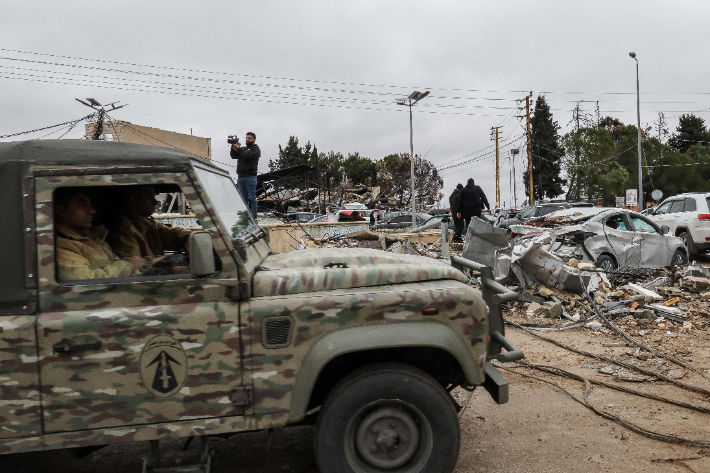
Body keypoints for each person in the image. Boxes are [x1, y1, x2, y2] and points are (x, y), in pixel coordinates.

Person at [55, 189, 144, 281]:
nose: (92, 210)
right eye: (82, 204)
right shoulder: (60, 245)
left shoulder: (95, 239)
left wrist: (148, 265)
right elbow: (85, 281)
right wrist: (128, 265)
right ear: (61, 211)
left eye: (90, 205)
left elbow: (118, 266)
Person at [109, 186, 193, 258]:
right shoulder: (124, 231)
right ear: (134, 200)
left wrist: (187, 237)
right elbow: (134, 268)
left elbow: (169, 234)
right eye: (150, 197)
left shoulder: (146, 223)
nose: (155, 202)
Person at [230, 132, 261, 218]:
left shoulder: (256, 149)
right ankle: (245, 217)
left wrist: (238, 149)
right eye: (246, 138)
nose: (247, 139)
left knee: (252, 198)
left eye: (249, 138)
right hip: (241, 177)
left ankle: (254, 217)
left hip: (250, 177)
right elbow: (233, 156)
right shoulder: (243, 149)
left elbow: (248, 155)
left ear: (254, 140)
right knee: (243, 199)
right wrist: (233, 147)